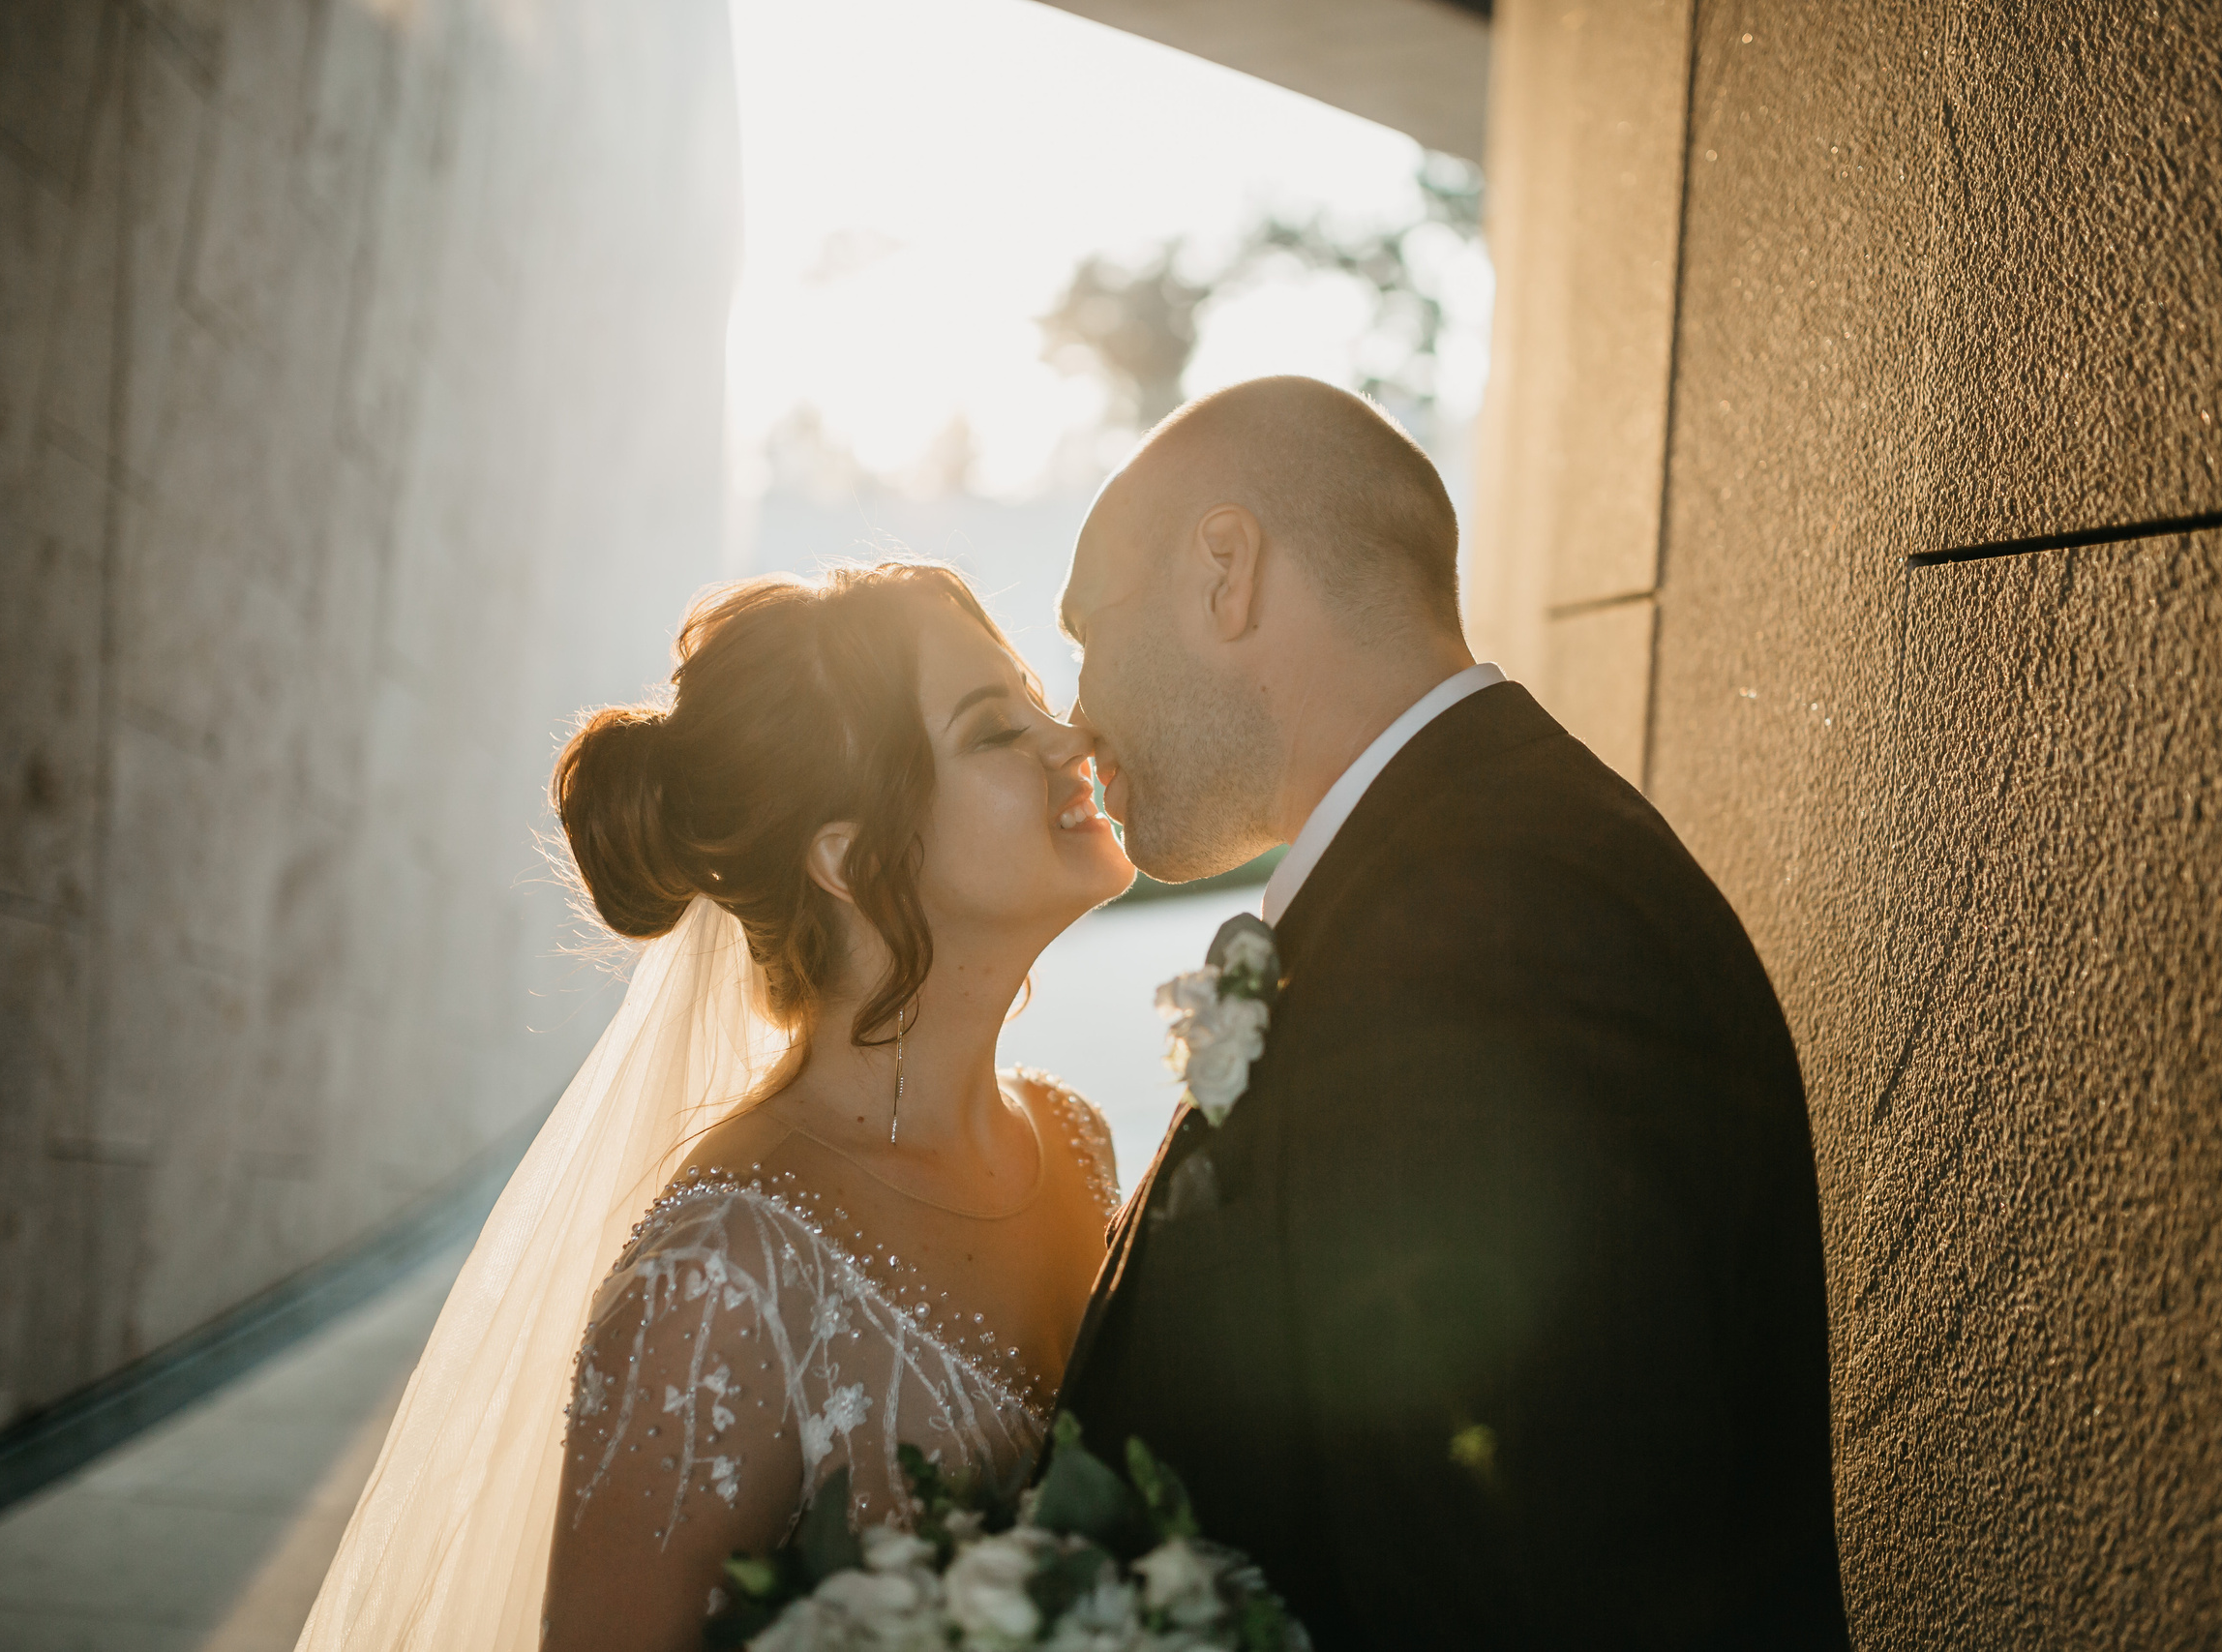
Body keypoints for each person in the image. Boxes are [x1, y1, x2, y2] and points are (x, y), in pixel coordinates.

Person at [1054, 376, 1850, 1648]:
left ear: (1225, 570)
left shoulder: (1504, 925)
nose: (1074, 709)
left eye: (1087, 628)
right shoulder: (1460, 876)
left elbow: (1517, 1567)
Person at [296, 564, 1135, 1652]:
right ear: (850, 859)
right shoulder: (719, 1275)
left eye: (1033, 701)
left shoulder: (1080, 1144)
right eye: (992, 731)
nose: (1069, 740)